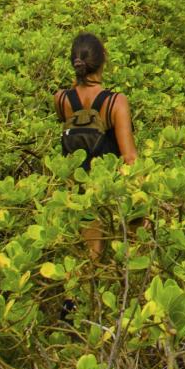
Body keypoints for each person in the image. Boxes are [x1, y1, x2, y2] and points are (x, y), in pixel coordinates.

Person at [54, 32, 137, 258]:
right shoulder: (115, 101)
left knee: (91, 256)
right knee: (129, 254)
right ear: (103, 60)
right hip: (110, 187)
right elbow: (130, 157)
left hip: (79, 188)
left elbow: (78, 120)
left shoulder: (60, 98)